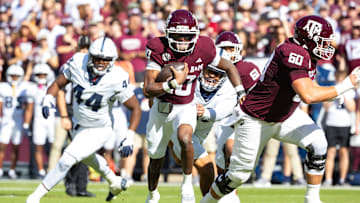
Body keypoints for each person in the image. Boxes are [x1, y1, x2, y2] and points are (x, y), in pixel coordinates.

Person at [200, 15, 360, 203]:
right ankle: (207, 201)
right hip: (256, 119)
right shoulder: (292, 52)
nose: (327, 47)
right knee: (237, 177)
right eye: (322, 42)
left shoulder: (305, 54)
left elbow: (311, 90)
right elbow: (308, 95)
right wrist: (346, 85)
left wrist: (336, 91)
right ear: (308, 39)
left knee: (318, 142)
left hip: (285, 115)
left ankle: (312, 199)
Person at [26, 37, 141, 203]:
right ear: (90, 56)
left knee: (66, 160)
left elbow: (135, 107)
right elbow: (58, 83)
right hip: (78, 124)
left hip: (100, 128)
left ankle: (34, 198)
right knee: (88, 157)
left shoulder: (117, 76)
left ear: (112, 60)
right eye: (98, 58)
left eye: (106, 59)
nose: (101, 62)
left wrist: (129, 136)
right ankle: (114, 181)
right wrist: (48, 98)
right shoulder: (78, 62)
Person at [143, 10, 242, 203]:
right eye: (177, 36)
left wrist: (241, 91)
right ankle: (153, 193)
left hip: (185, 105)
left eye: (187, 36)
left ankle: (187, 185)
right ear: (168, 34)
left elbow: (229, 67)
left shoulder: (204, 47)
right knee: (155, 157)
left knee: (185, 137)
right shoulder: (157, 47)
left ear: (195, 35)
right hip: (163, 107)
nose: (181, 41)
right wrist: (172, 83)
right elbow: (148, 89)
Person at [211, 31, 260, 203]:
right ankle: (229, 197)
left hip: (243, 118)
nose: (228, 52)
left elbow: (258, 96)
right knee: (220, 160)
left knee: (230, 150)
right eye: (224, 49)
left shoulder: (247, 69)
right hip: (221, 118)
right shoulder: (213, 69)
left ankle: (231, 196)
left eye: (231, 48)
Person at [322, 70, 356, 186]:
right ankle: (328, 179)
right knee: (330, 152)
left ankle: (342, 179)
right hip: (331, 123)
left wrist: (344, 95)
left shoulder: (350, 92)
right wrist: (335, 94)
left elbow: (352, 108)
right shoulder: (331, 89)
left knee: (344, 152)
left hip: (345, 124)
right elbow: (326, 107)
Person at [0, 64, 34, 179]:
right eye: (12, 76)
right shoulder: (3, 87)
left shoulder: (25, 87)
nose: (14, 78)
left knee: (16, 146)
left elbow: (29, 105)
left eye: (16, 76)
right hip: (6, 120)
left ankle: (12, 170)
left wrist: (26, 122)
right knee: (2, 146)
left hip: (18, 121)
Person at [31, 63, 55, 179]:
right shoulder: (31, 88)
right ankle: (40, 171)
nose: (41, 77)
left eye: (43, 75)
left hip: (51, 119)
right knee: (38, 146)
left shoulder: (53, 86)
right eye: (39, 75)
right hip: (39, 120)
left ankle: (52, 169)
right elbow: (29, 108)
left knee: (54, 146)